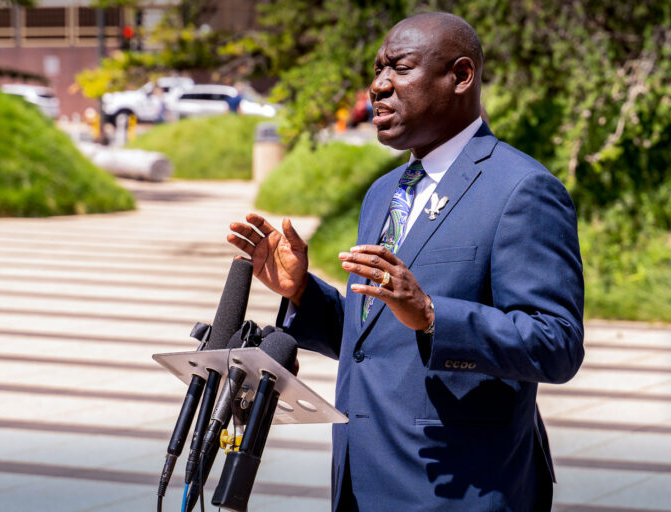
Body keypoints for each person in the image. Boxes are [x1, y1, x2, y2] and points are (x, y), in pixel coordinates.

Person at [228, 12, 583, 512]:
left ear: (460, 76)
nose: (379, 86)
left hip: (459, 489)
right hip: (361, 479)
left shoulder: (521, 190)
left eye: (400, 68)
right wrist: (302, 291)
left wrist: (436, 314)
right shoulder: (385, 192)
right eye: (376, 71)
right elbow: (377, 341)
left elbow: (557, 345)